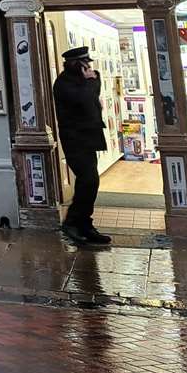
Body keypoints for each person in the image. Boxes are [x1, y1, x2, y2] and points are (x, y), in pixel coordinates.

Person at [52, 46, 111, 246]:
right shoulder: (63, 84)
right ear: (75, 65)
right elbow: (86, 100)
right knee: (88, 180)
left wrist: (92, 80)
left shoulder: (82, 82)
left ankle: (84, 224)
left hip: (88, 139)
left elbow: (93, 94)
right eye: (85, 64)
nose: (89, 68)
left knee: (90, 182)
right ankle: (72, 222)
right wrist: (91, 81)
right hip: (75, 140)